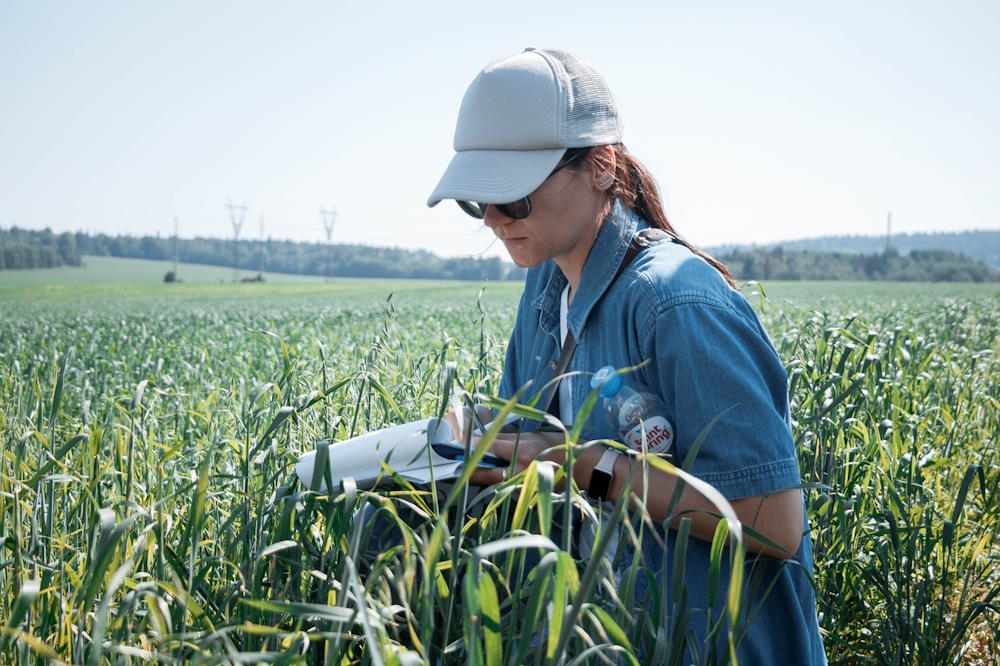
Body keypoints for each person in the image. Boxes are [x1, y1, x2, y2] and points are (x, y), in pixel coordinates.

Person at [427, 48, 826, 664]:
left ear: (600, 165)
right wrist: (477, 433)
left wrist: (589, 466)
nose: (497, 222)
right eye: (478, 203)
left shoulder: (675, 303)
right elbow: (534, 429)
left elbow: (774, 522)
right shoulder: (545, 285)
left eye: (516, 198)